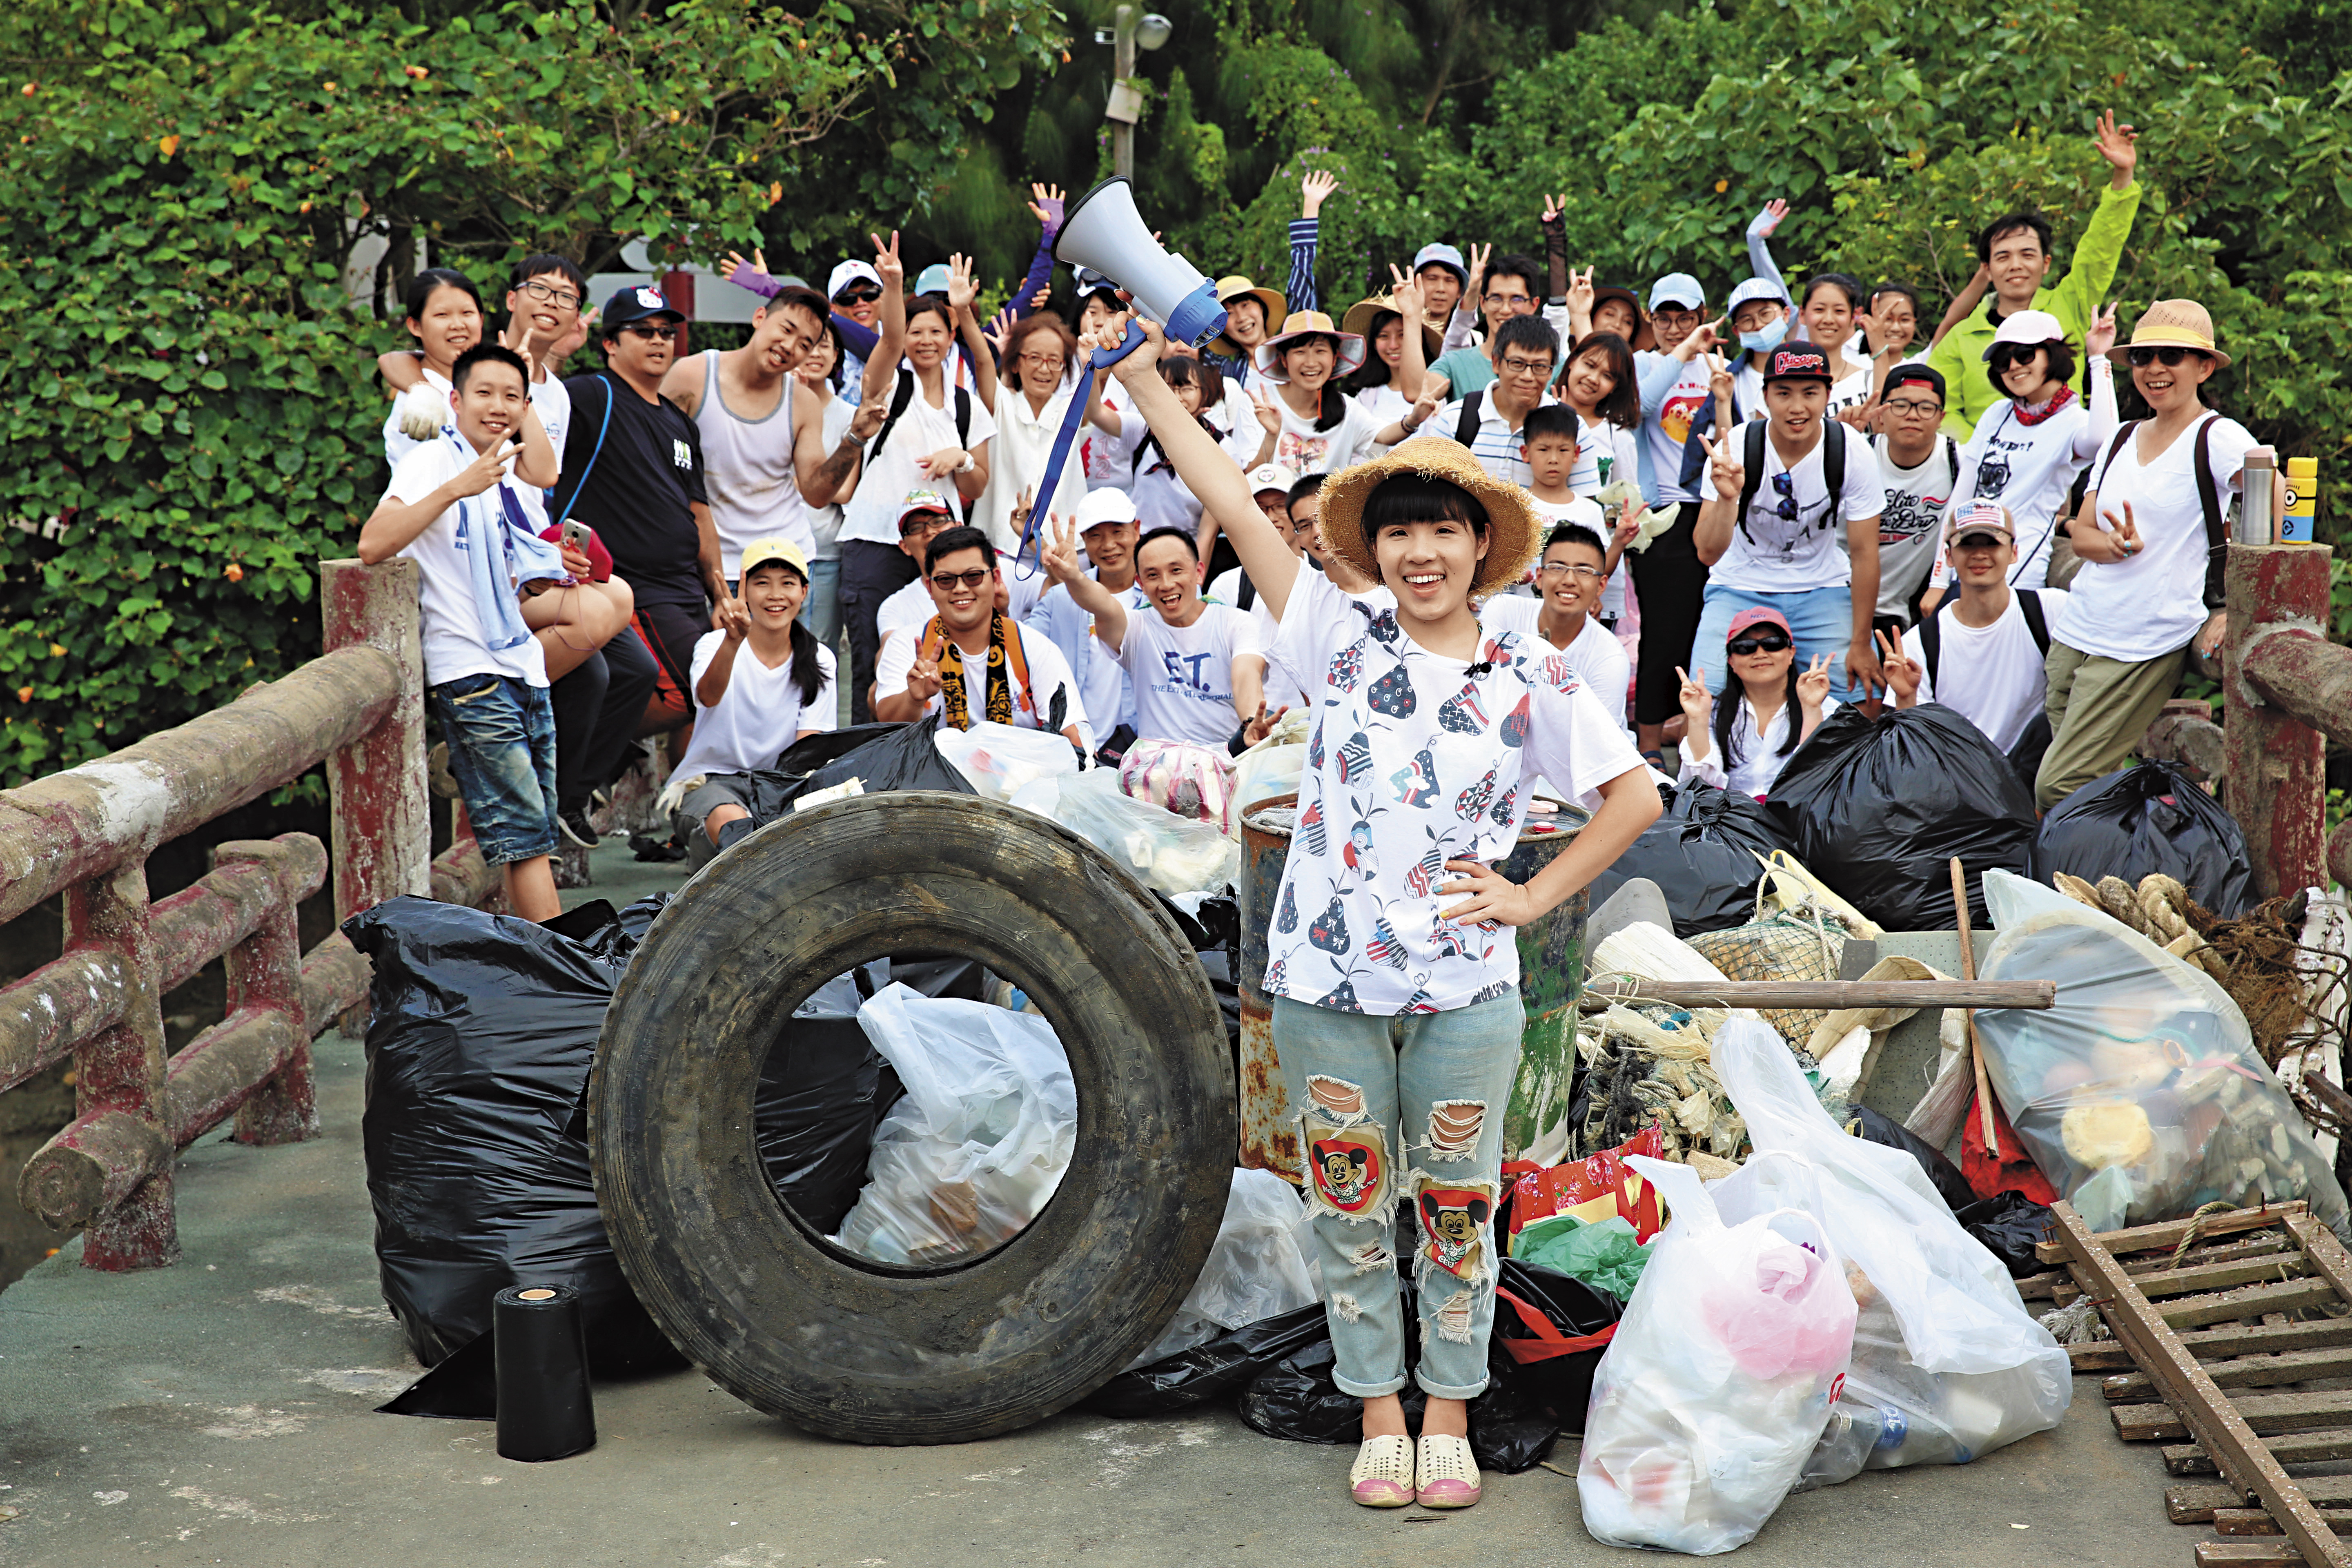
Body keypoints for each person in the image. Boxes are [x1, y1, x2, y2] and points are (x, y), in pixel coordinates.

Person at [1100, 311, 1657, 1511]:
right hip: (1323, 981)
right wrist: (1144, 376)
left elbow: (1633, 796)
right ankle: (1379, 1407)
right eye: (1399, 529)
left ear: (1478, 544)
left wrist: (1527, 896)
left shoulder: (1527, 664)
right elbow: (1238, 507)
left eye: (1442, 529)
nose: (1419, 549)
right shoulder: (1335, 630)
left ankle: (1449, 1405)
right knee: (1349, 1197)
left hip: (1468, 986)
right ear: (1374, 544)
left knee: (1458, 1202)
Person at [2038, 299, 2278, 807]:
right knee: (2080, 783)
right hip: (2081, 626)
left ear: (2204, 367)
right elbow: (2081, 535)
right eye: (2144, 357)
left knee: (2059, 785)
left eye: (2172, 356)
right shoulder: (2123, 436)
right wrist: (2113, 545)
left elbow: (2275, 508)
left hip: (2144, 639)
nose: (2155, 369)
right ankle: (2112, 874)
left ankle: (2093, 880)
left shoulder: (2218, 437)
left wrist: (2233, 607)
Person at [358, 343, 569, 921]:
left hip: (523, 666)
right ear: (454, 400)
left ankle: (550, 971)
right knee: (526, 840)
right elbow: (373, 545)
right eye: (484, 393)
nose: (497, 406)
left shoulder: (504, 467)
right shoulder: (434, 461)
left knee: (536, 836)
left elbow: (545, 473)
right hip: (471, 674)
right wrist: (459, 486)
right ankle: (569, 980)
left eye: (512, 396)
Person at [549, 285, 743, 766]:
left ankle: (609, 750)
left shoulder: (680, 421)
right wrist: (554, 353)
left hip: (683, 585)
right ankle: (584, 755)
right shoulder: (592, 395)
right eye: (642, 332)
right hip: (625, 583)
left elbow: (699, 512)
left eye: (665, 332)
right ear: (611, 343)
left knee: (716, 683)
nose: (659, 341)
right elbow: (532, 402)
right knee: (688, 691)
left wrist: (720, 593)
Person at [835, 234, 997, 725]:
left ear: (952, 339)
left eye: (936, 332)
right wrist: (894, 283)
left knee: (944, 659)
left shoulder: (965, 405)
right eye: (916, 332)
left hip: (941, 551)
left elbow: (979, 485)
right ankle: (870, 771)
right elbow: (885, 341)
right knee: (874, 664)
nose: (925, 341)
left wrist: (962, 459)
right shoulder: (890, 384)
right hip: (877, 542)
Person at [1926, 110, 2144, 439]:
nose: (2016, 265)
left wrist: (2122, 176)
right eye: (2003, 256)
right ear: (1986, 269)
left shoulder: (2070, 303)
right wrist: (1982, 451)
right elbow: (1938, 408)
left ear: (2045, 264)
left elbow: (2101, 248)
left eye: (2027, 255)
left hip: (2062, 460)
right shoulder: (1961, 337)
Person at [1692, 344, 1886, 699]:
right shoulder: (1735, 447)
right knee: (1707, 694)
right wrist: (1727, 497)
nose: (1797, 408)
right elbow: (1707, 553)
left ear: (1829, 394)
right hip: (1739, 585)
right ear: (1765, 397)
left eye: (1810, 393)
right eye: (1783, 394)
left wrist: (1861, 641)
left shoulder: (1851, 449)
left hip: (1822, 586)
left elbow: (1864, 553)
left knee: (1862, 695)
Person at [668, 538, 836, 868]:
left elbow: (808, 749)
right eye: (762, 584)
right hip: (711, 781)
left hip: (780, 785)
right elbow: (707, 696)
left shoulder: (820, 658)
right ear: (742, 591)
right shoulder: (712, 644)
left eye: (788, 583)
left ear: (804, 592)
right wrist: (733, 641)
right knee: (736, 826)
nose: (775, 595)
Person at [659, 282, 832, 584]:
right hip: (707, 561)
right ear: (759, 317)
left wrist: (856, 438)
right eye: (787, 329)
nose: (790, 347)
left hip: (786, 563)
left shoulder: (804, 402)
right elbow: (655, 460)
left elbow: (816, 494)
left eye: (805, 344)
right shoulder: (692, 376)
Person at [1040, 520, 1265, 748]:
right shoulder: (1136, 628)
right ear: (1141, 583)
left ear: (1199, 573)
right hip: (1155, 773)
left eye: (1176, 570)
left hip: (1225, 765)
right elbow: (1102, 605)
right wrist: (1074, 577)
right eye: (1153, 575)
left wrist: (1250, 722)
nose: (1166, 584)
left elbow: (1246, 677)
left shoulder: (1238, 623)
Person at [1939, 306, 2119, 591]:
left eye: (2025, 355)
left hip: (2019, 575)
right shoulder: (1997, 413)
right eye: (2002, 361)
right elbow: (1961, 500)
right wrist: (1938, 579)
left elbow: (2104, 441)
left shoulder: (2074, 421)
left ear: (2053, 353)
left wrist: (2098, 358)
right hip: (1963, 569)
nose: (2013, 366)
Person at [1881, 505, 2066, 767]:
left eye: (1991, 544)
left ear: (2013, 553)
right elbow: (1912, 752)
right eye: (1967, 546)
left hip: (2033, 769)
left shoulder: (2052, 610)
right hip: (1959, 777)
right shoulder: (1918, 643)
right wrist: (1905, 699)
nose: (1980, 554)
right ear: (1949, 557)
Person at [1626, 274, 1726, 758]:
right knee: (1662, 633)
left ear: (1701, 315)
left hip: (1711, 507)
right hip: (1661, 513)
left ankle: (1695, 737)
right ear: (1651, 319)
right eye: (1663, 318)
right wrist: (1685, 349)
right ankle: (1647, 745)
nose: (1673, 326)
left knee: (1703, 629)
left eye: (1684, 318)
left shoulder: (1720, 365)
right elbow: (1642, 405)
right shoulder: (1643, 363)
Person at [872, 526, 1085, 745]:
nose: (961, 589)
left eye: (973, 577)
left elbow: (1074, 737)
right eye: (946, 580)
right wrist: (915, 698)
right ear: (930, 587)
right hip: (930, 776)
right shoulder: (907, 644)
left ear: (996, 578)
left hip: (1023, 775)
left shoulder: (1034, 647)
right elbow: (888, 730)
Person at [1026, 487, 1149, 761]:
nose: (1108, 545)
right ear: (1083, 539)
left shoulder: (1161, 596)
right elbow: (1022, 649)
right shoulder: (1059, 598)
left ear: (1137, 530)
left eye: (1118, 532)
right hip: (1075, 750)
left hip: (1144, 750)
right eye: (1096, 536)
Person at [1479, 521, 1633, 738]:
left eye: (1584, 571)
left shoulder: (1609, 656)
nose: (1569, 580)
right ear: (1540, 577)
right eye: (1558, 568)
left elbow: (1600, 740)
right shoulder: (1504, 612)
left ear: (1601, 586)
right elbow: (1478, 684)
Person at [1676, 608, 1838, 798]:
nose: (1760, 653)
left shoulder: (1827, 708)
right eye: (1745, 647)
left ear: (1791, 653)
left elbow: (1821, 782)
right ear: (1731, 662)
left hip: (1799, 818)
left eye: (1773, 644)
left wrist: (1812, 710)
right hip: (1731, 820)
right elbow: (1699, 789)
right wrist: (1697, 720)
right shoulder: (1713, 711)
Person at [1388, 314, 1561, 485]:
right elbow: (1433, 491)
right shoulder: (1454, 419)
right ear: (1496, 363)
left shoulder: (1569, 426)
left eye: (1540, 366)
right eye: (1517, 364)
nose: (1528, 376)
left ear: (1552, 370)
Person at [973, 311, 1089, 555]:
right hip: (1001, 547)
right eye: (1035, 358)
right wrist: (964, 311)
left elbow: (1094, 400)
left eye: (1055, 361)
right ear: (1016, 363)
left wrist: (1093, 362)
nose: (1044, 369)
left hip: (1065, 549)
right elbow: (983, 361)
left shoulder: (1072, 411)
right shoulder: (1001, 405)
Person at [1862, 363, 1962, 634]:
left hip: (1909, 606)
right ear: (1881, 414)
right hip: (1841, 599)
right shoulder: (1857, 455)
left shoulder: (1958, 462)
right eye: (1900, 405)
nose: (1913, 416)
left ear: (1941, 418)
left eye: (1926, 408)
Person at [1256, 312, 1386, 478]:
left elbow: (1384, 435)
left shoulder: (1348, 408)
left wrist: (1413, 420)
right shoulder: (1259, 405)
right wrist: (1271, 437)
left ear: (1334, 358)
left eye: (1320, 350)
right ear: (1284, 359)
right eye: (1300, 352)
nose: (1311, 363)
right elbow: (1246, 475)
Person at [1425, 253, 1544, 399]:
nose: (1505, 310)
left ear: (1534, 305)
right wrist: (1410, 317)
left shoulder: (1549, 366)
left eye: (1516, 300)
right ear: (1483, 303)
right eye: (1496, 299)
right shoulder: (1456, 363)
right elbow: (1416, 394)